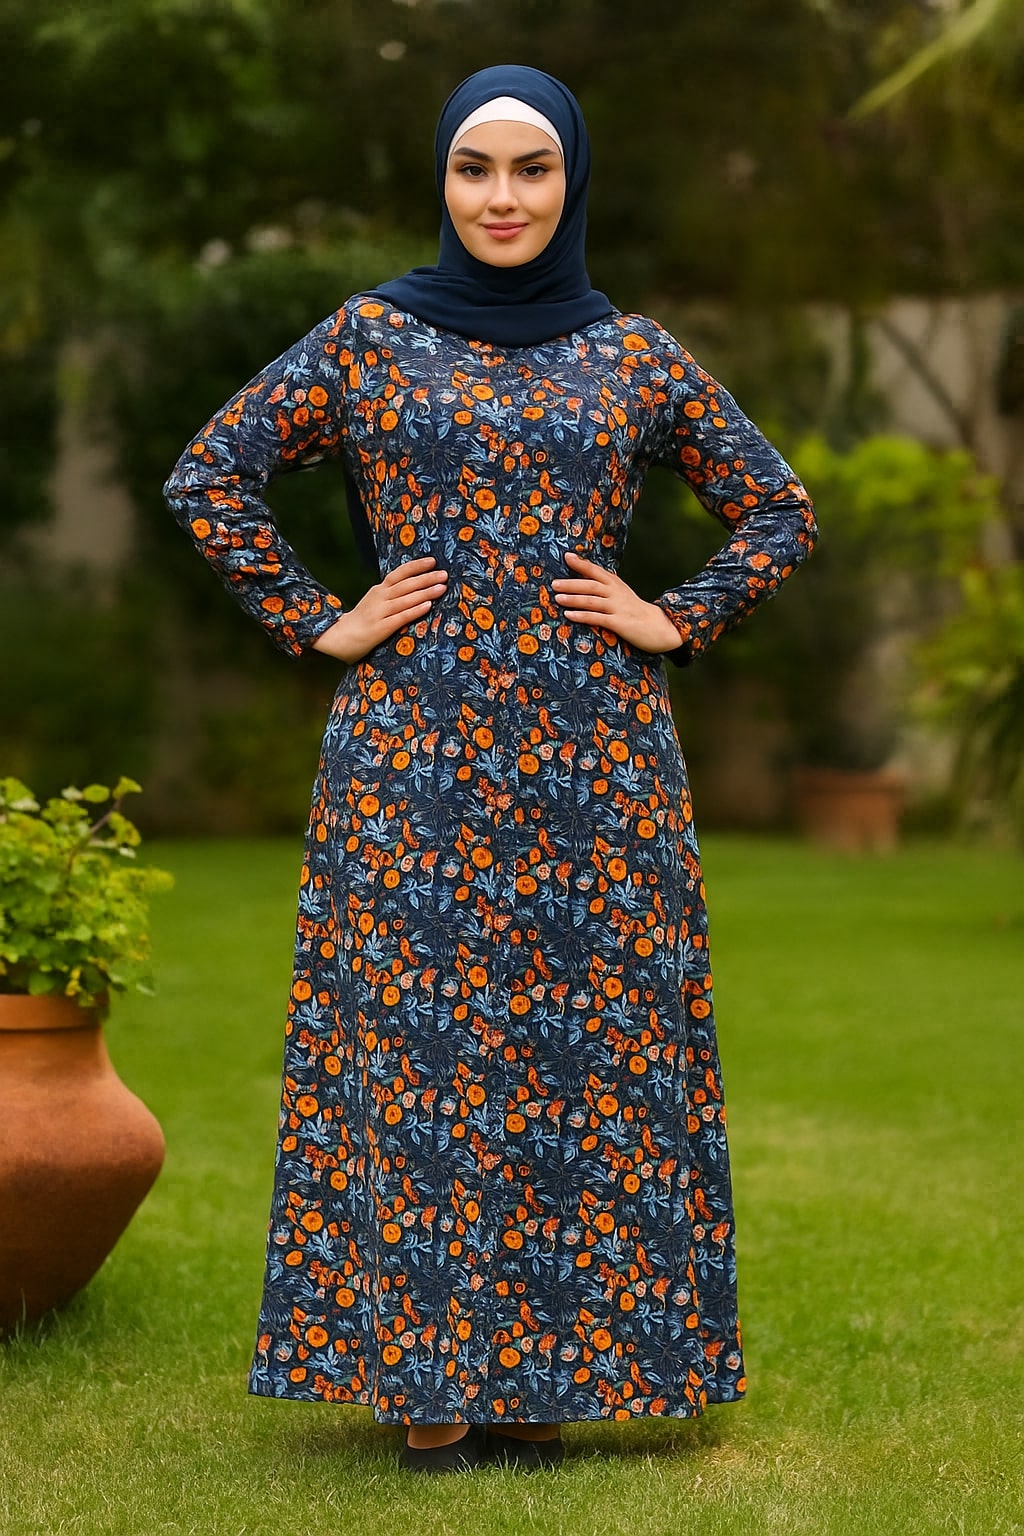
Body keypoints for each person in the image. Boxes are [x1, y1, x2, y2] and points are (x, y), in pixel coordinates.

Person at [163, 64, 818, 1476]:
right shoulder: (369, 340)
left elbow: (776, 505)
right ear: (442, 182)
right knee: (417, 1054)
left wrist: (675, 617)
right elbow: (210, 473)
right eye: (476, 168)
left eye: (531, 168)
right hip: (413, 756)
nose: (503, 196)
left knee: (584, 1055)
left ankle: (543, 1381)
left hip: (598, 756)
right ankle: (428, 1385)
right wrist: (318, 617)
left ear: (572, 178)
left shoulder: (631, 355)